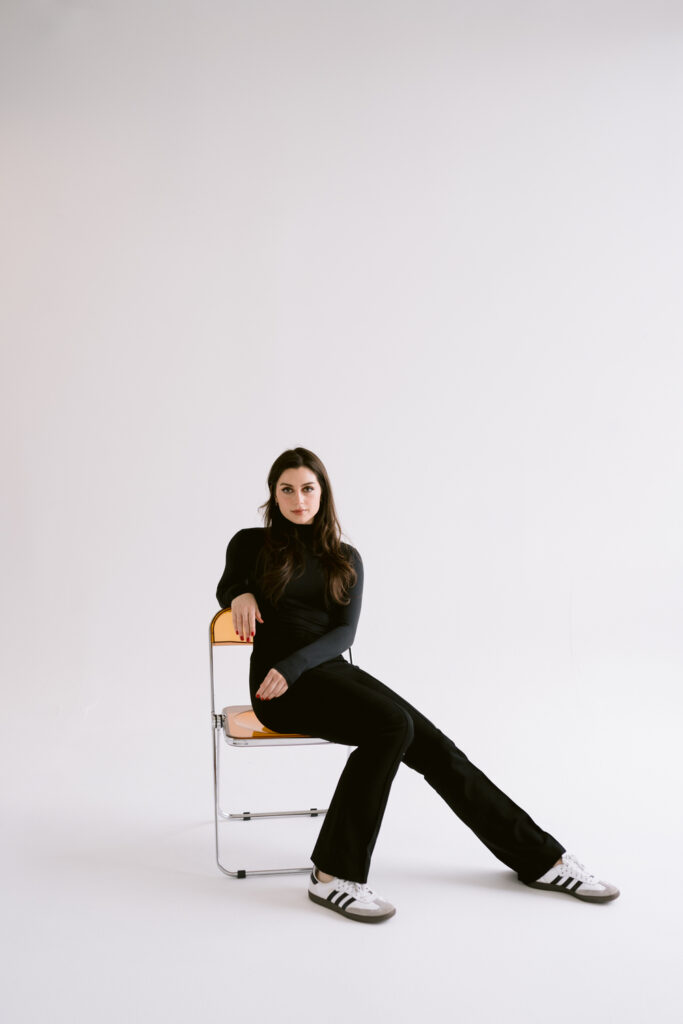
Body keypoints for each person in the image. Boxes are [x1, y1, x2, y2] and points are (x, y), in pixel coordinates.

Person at [216, 447, 620, 923]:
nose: (298, 499)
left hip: (326, 672)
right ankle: (330, 876)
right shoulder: (250, 542)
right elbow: (228, 584)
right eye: (287, 489)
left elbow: (344, 634)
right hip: (276, 692)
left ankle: (542, 860)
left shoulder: (345, 558)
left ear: (323, 493)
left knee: (434, 745)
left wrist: (298, 664)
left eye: (308, 488)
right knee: (392, 725)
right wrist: (239, 592)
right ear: (274, 494)